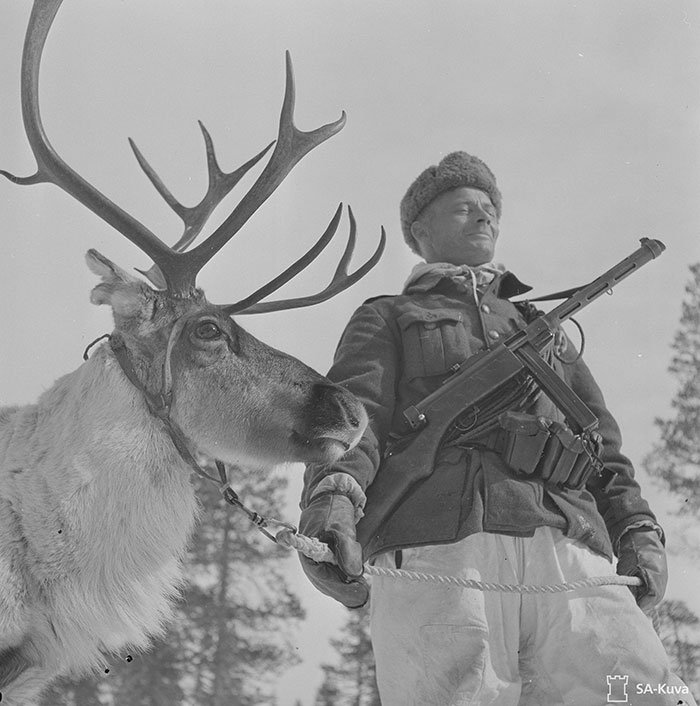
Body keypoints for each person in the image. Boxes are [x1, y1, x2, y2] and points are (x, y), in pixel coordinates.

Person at [298, 151, 696, 705]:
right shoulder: (387, 315)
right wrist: (332, 505)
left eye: (490, 209)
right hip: (439, 544)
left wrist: (637, 530)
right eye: (464, 208)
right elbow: (352, 418)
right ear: (421, 230)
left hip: (567, 541)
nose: (485, 218)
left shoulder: (541, 326)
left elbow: (600, 443)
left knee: (649, 693)